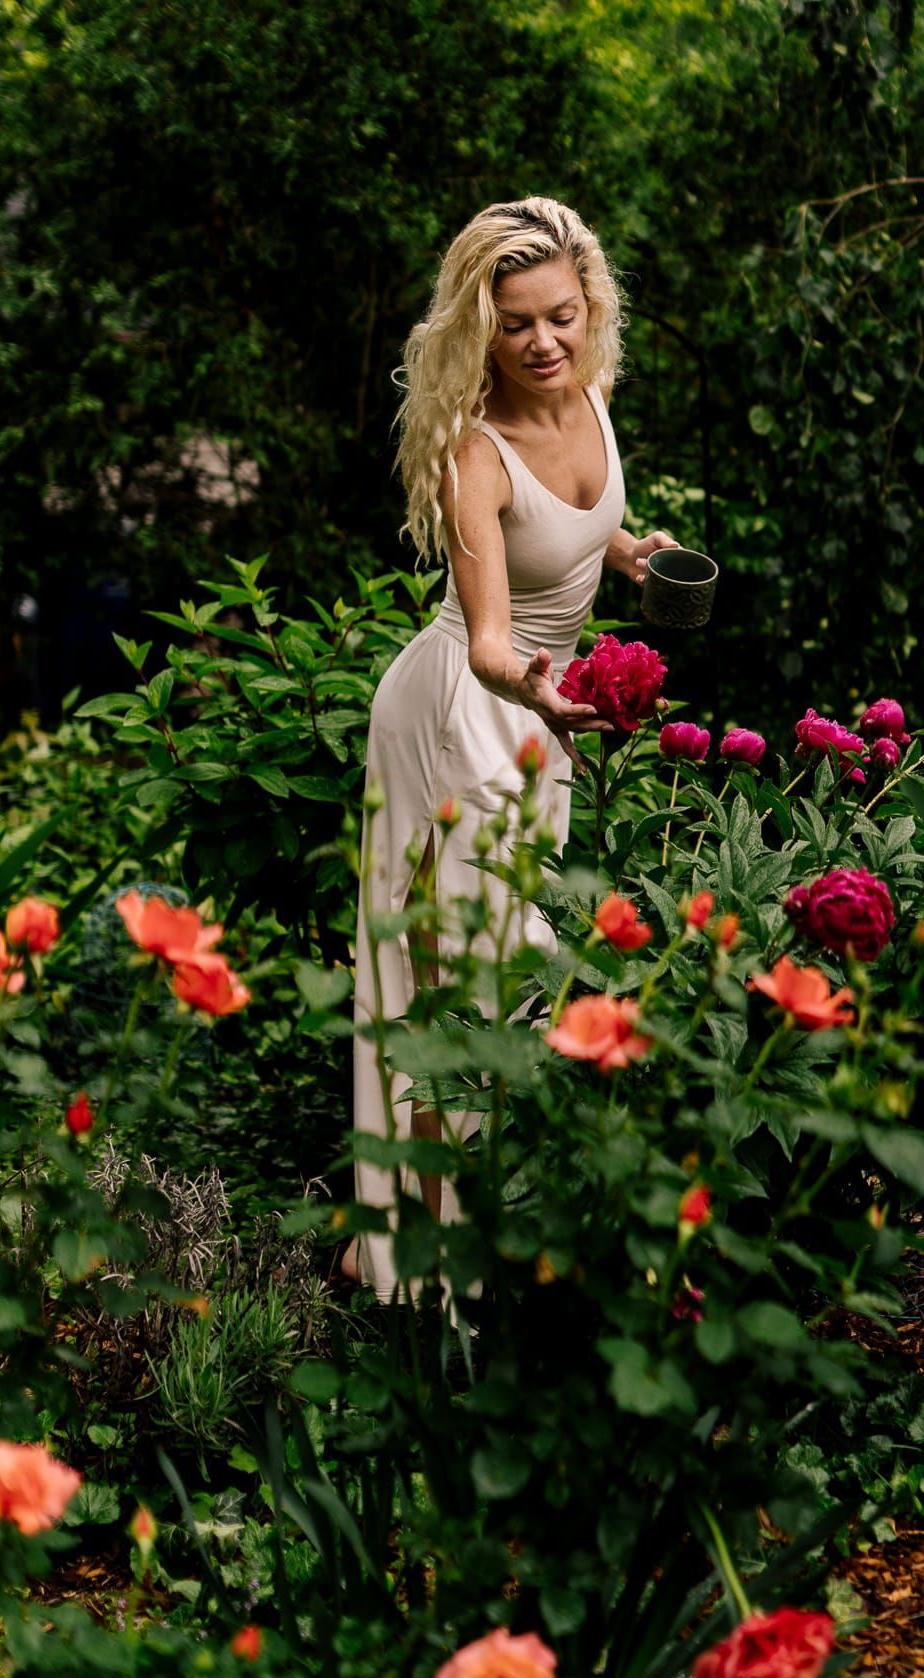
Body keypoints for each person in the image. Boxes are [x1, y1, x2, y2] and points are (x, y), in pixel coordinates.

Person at [343, 196, 677, 1298]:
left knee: (487, 973)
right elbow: (490, 637)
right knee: (469, 976)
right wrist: (545, 687)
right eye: (517, 323)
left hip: (542, 718)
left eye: (562, 316)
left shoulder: (591, 390)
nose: (544, 342)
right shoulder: (473, 452)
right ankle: (423, 1259)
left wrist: (632, 554)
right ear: (480, 329)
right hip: (469, 707)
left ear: (593, 310)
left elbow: (574, 526)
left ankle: (424, 1238)